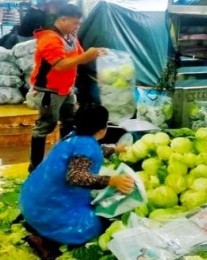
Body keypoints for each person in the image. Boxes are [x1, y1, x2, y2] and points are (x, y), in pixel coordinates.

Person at [19, 104, 135, 259]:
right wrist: (112, 180)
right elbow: (75, 176)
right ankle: (47, 243)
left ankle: (36, 228)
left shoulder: (72, 137)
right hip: (47, 212)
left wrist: (115, 149)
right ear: (103, 128)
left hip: (31, 202)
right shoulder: (86, 145)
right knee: (96, 225)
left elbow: (88, 152)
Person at [28, 3, 105, 172]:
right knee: (44, 127)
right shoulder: (49, 38)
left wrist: (96, 55)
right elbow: (60, 65)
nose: (77, 27)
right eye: (75, 23)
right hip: (49, 91)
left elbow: (79, 56)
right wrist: (87, 55)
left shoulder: (69, 37)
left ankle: (64, 160)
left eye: (79, 24)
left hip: (67, 89)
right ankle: (35, 167)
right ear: (63, 20)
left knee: (69, 125)